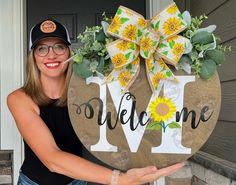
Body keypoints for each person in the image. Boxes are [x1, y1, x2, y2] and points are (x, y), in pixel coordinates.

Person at [7, 19, 184, 185]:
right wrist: (119, 179)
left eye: (59, 47)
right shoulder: (19, 99)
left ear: (70, 53)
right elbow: (52, 159)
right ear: (33, 57)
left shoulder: (89, 92)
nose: (51, 55)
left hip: (77, 181)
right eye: (42, 49)